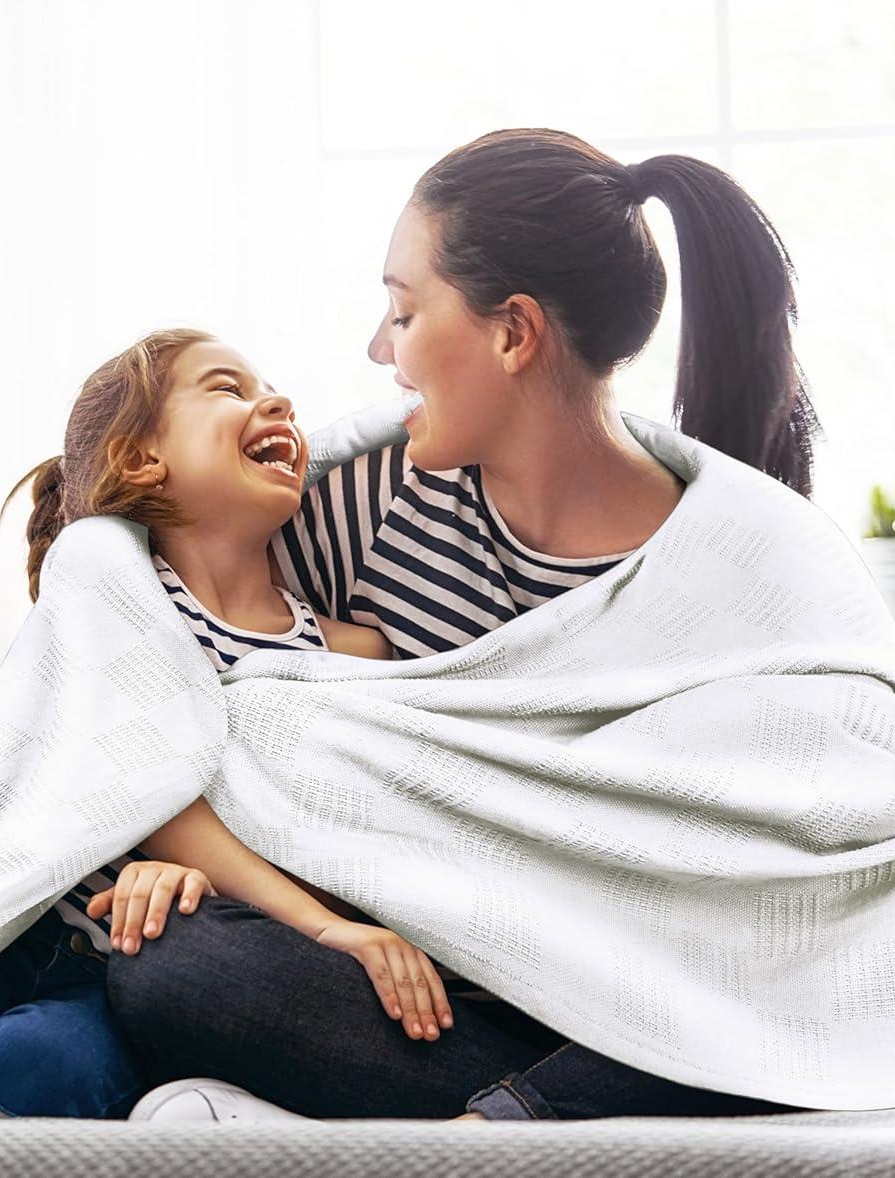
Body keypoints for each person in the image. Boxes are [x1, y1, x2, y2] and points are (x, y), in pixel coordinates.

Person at [103, 127, 822, 1123]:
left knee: (811, 977)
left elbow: (801, 869)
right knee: (177, 969)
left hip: (645, 1009)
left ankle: (493, 1128)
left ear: (513, 333)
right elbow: (168, 660)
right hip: (429, 1008)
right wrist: (173, 844)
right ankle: (515, 1122)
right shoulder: (366, 505)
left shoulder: (739, 567)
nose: (377, 349)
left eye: (403, 311)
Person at [0, 326, 470, 1119]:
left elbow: (334, 821)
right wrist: (322, 929)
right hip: (13, 938)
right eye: (227, 388)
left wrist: (235, 903)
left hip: (126, 970)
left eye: (269, 390)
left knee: (36, 1076)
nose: (278, 401)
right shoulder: (110, 588)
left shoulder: (347, 651)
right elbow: (146, 777)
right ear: (141, 461)